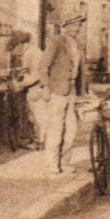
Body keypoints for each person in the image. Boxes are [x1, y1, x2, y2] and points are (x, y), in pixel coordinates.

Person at [35, 15, 84, 173]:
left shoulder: (78, 44)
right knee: (56, 128)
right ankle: (52, 163)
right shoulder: (57, 42)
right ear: (66, 26)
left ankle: (64, 161)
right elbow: (43, 66)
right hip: (57, 90)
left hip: (71, 91)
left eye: (79, 26)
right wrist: (46, 86)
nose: (77, 28)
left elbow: (81, 69)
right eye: (74, 25)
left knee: (72, 129)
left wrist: (85, 90)